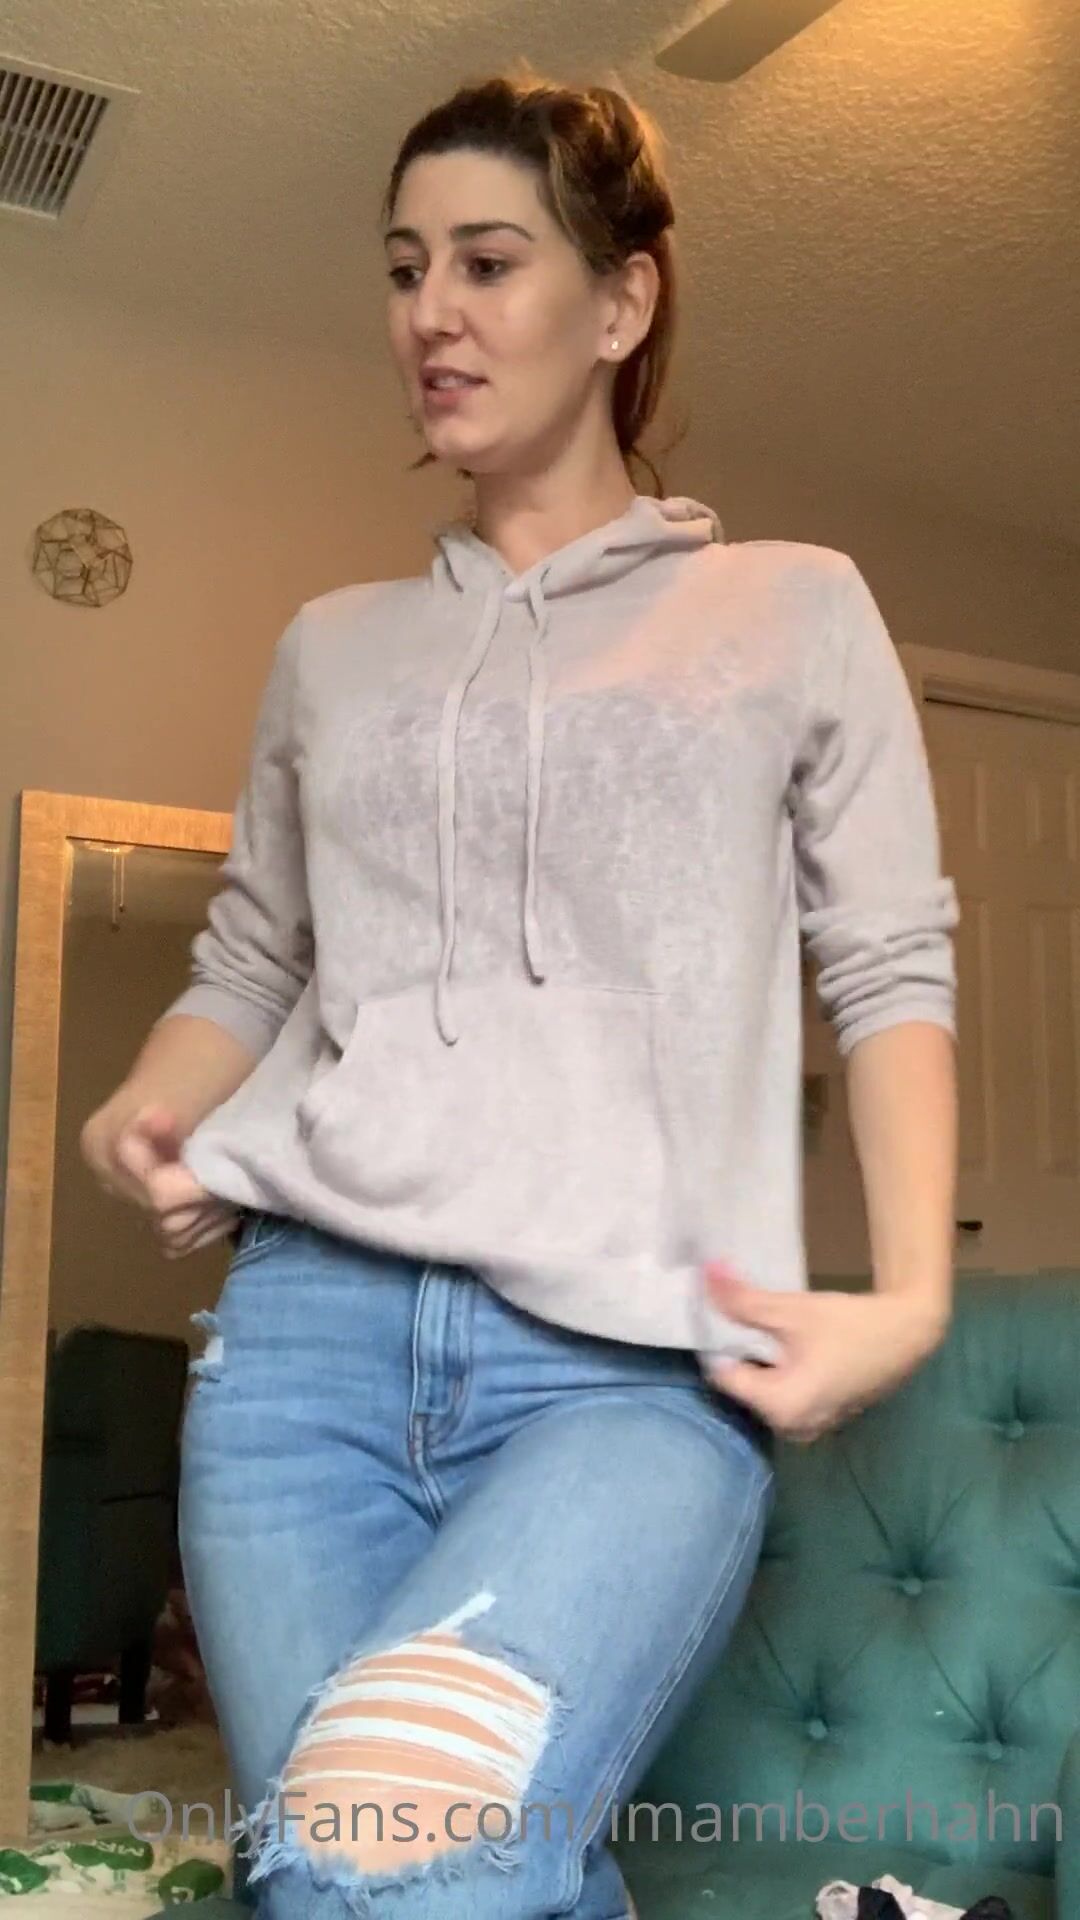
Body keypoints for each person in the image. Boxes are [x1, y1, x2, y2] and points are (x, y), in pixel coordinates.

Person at [81, 67, 959, 1920]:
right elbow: (251, 958)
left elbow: (887, 957)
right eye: (406, 269)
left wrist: (911, 1294)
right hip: (302, 1361)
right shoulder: (331, 651)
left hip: (621, 1370)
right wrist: (157, 1099)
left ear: (621, 302)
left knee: (378, 1860)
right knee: (393, 1888)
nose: (433, 312)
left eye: (489, 261)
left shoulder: (796, 609)